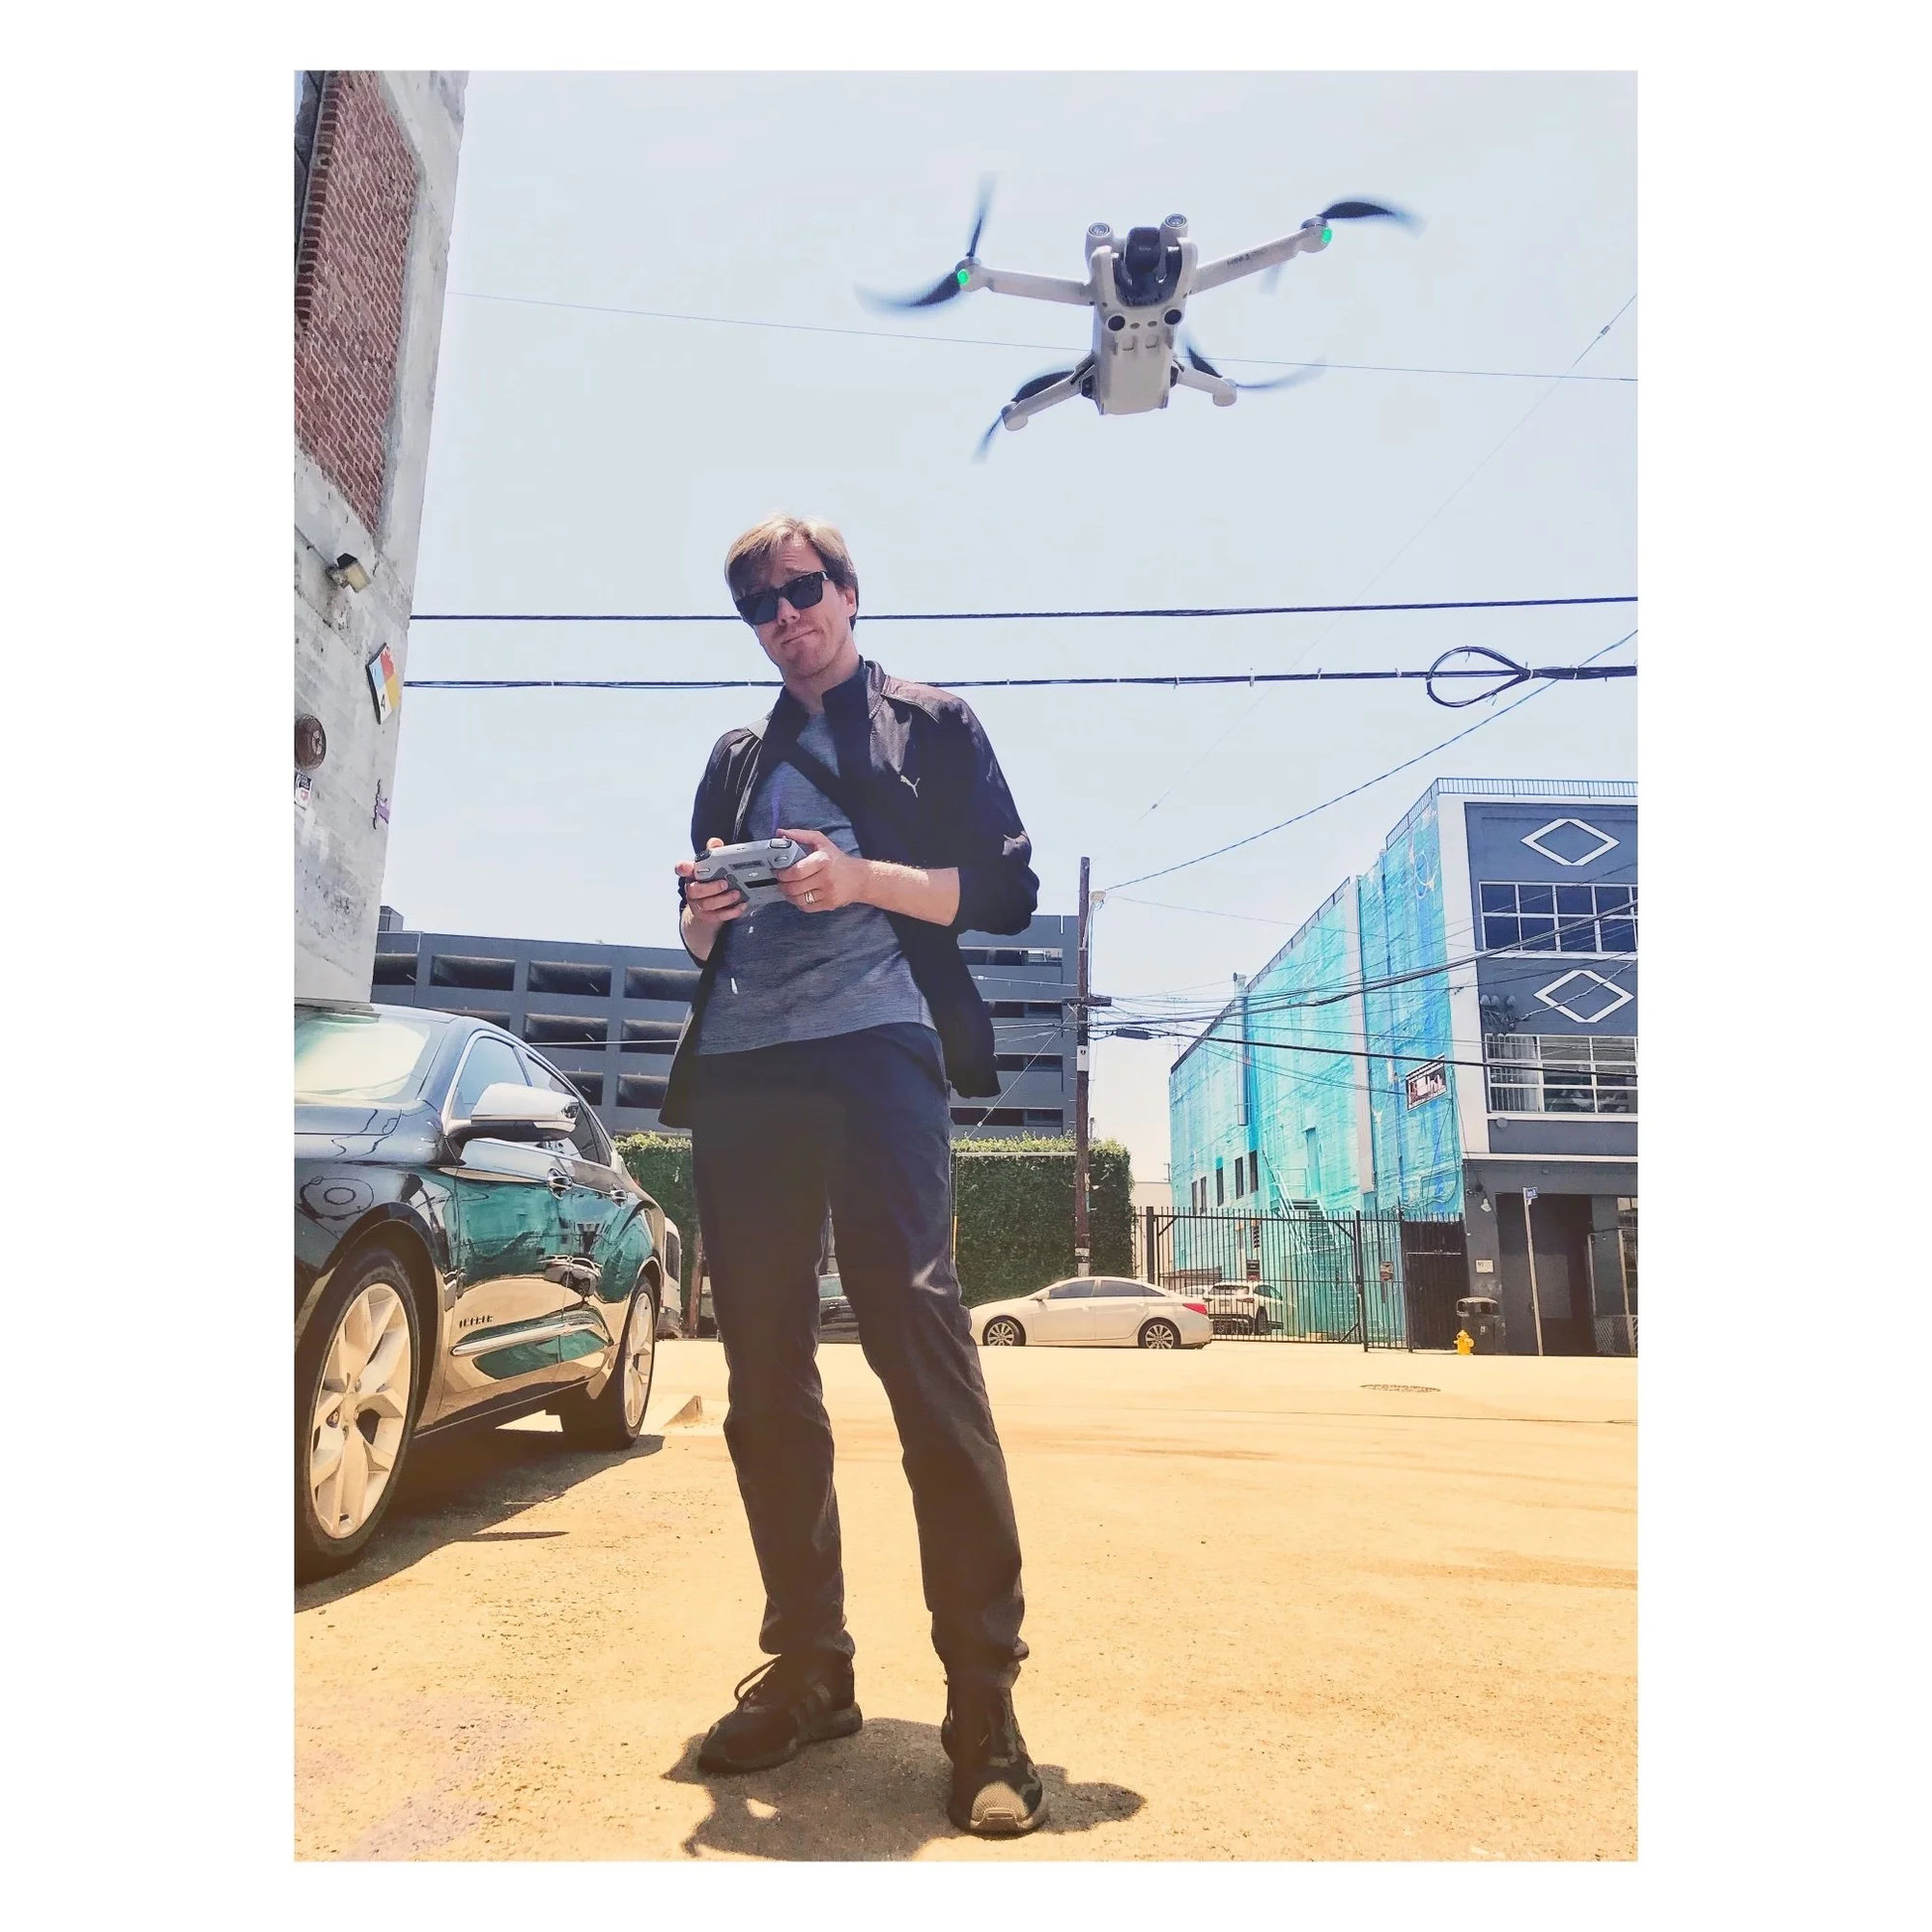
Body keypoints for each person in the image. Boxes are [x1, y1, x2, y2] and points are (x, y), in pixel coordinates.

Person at [657, 512, 1045, 1837]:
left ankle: (983, 1705)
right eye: (759, 606)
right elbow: (703, 932)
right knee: (763, 1371)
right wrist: (704, 917)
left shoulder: (930, 723)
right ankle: (811, 1666)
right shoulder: (735, 757)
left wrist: (856, 880)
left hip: (880, 1055)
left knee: (921, 1345)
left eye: (803, 590)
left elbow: (1005, 893)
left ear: (850, 593)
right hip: (748, 1070)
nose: (786, 617)